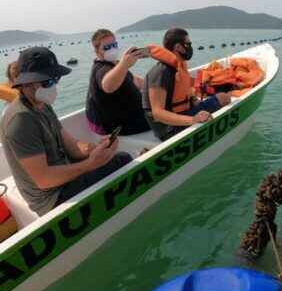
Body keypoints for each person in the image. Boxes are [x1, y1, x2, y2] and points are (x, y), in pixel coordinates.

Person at [0, 47, 132, 216]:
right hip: (51, 198)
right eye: (47, 82)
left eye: (55, 79)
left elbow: (73, 147)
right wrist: (90, 164)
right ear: (25, 84)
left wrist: (95, 148)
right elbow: (44, 180)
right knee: (123, 160)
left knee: (116, 158)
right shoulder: (20, 120)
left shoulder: (43, 105)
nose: (53, 86)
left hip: (64, 177)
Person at [142, 28, 230, 141]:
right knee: (223, 98)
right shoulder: (161, 72)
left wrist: (193, 98)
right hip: (169, 129)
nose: (190, 47)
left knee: (223, 96)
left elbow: (182, 90)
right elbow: (158, 113)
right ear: (178, 47)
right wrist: (193, 120)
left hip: (182, 113)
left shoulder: (179, 66)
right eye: (188, 44)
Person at [85, 29, 150, 135]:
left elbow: (134, 80)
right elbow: (108, 85)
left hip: (134, 116)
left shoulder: (115, 65)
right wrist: (124, 64)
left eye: (114, 45)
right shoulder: (101, 69)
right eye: (107, 47)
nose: (112, 49)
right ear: (97, 51)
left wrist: (154, 84)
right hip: (122, 125)